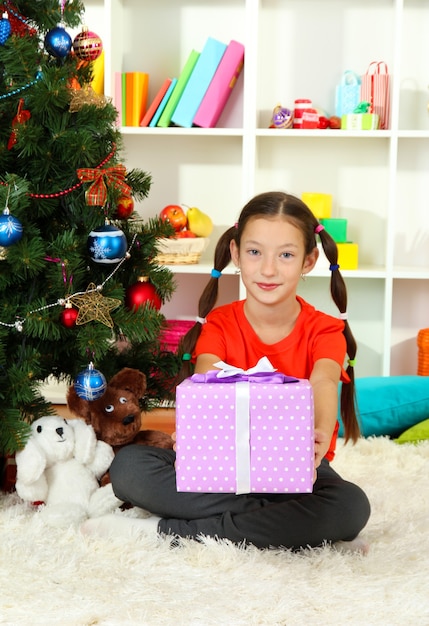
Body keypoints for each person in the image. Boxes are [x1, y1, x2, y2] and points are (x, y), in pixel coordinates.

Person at [82, 191, 371, 552]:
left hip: (296, 472)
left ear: (309, 260)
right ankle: (284, 524)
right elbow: (207, 380)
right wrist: (192, 434)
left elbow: (324, 380)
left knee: (351, 506)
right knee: (129, 467)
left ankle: (166, 531)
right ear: (235, 253)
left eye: (285, 255)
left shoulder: (325, 329)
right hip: (219, 468)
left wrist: (320, 433)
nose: (268, 269)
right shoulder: (219, 324)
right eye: (254, 252)